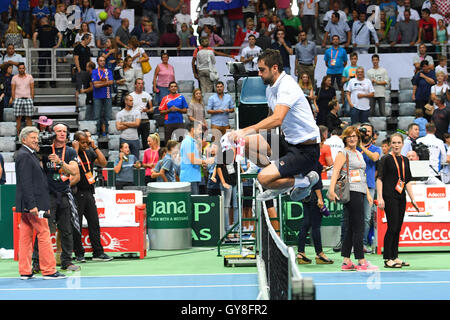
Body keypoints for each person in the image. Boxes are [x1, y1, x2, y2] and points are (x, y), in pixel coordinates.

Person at [228, 49, 321, 203]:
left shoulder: (287, 85)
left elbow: (277, 119)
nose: (259, 73)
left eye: (262, 70)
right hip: (286, 142)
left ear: (275, 68)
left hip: (305, 151)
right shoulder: (270, 88)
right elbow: (270, 118)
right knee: (241, 144)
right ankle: (280, 180)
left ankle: (303, 182)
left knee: (263, 179)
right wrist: (240, 136)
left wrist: (244, 131)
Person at [15, 126, 66, 280]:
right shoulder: (24, 155)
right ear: (24, 139)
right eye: (33, 138)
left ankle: (25, 271)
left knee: (25, 236)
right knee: (44, 233)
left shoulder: (27, 154)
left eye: (37, 138)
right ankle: (49, 270)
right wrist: (32, 205)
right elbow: (26, 182)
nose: (36, 141)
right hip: (33, 205)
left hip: (28, 204)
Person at [327, 126, 377, 271]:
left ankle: (346, 261)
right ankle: (361, 261)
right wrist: (331, 190)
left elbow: (363, 175)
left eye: (355, 136)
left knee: (350, 227)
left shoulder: (359, 154)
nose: (352, 138)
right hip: (351, 192)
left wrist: (367, 193)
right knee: (358, 226)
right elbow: (336, 172)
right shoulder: (343, 153)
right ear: (345, 138)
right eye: (350, 136)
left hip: (360, 191)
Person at [39, 123, 80, 272]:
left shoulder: (69, 151)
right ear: (52, 133)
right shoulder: (44, 150)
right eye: (59, 131)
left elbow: (74, 171)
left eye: (64, 131)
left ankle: (67, 261)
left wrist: (60, 162)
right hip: (47, 195)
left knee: (66, 229)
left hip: (63, 194)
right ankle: (38, 262)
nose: (62, 134)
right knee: (44, 229)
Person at [376, 133, 418, 268]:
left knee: (398, 228)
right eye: (393, 143)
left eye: (398, 143)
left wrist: (413, 199)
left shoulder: (405, 160)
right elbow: (380, 178)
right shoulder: (386, 159)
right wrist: (380, 197)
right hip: (389, 196)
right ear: (390, 145)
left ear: (402, 144)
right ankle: (387, 258)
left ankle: (395, 256)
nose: (396, 145)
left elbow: (408, 181)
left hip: (401, 197)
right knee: (392, 226)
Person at [71, 130, 112, 263]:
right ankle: (79, 253)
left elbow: (103, 163)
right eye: (82, 142)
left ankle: (98, 252)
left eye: (86, 142)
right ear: (76, 142)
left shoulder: (89, 151)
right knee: (76, 225)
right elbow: (70, 166)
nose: (85, 145)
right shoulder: (72, 153)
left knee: (94, 223)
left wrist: (94, 146)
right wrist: (75, 149)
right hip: (76, 193)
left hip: (89, 192)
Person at [296, 161, 333, 265]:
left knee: (306, 223)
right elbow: (316, 183)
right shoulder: (313, 160)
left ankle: (301, 252)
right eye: (321, 144)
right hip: (314, 196)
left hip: (304, 195)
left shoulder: (303, 159)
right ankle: (320, 254)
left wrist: (323, 168)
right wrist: (320, 198)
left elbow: (318, 169)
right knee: (316, 226)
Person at [357, 123, 381, 253]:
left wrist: (361, 147)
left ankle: (363, 244)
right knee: (353, 216)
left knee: (366, 217)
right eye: (363, 130)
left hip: (370, 185)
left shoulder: (376, 149)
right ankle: (349, 243)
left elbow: (374, 158)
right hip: (354, 184)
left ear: (372, 134)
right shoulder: (352, 146)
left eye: (368, 131)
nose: (366, 133)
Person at [179, 122, 214, 195]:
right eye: (199, 129)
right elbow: (193, 160)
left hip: (194, 177)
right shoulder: (188, 142)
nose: (201, 131)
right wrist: (206, 161)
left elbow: (195, 159)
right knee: (192, 203)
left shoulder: (193, 142)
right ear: (192, 129)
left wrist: (203, 163)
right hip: (189, 178)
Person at [92, 55, 122, 136]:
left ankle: (108, 132)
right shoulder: (94, 71)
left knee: (108, 116)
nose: (102, 62)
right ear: (97, 62)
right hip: (97, 96)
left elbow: (111, 82)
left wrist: (100, 82)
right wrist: (105, 82)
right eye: (101, 60)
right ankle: (97, 132)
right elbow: (95, 85)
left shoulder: (108, 71)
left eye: (103, 60)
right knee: (97, 116)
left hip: (107, 95)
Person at [32, 16, 62, 88]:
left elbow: (34, 35)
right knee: (52, 67)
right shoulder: (53, 28)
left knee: (42, 67)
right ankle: (53, 83)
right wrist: (57, 45)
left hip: (42, 50)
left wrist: (35, 46)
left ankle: (41, 83)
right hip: (52, 50)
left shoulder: (39, 29)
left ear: (42, 22)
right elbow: (60, 35)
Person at [217, 146, 239, 235]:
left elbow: (236, 167)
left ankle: (236, 230)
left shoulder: (237, 154)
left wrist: (241, 175)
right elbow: (218, 168)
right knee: (226, 207)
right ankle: (227, 230)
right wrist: (223, 182)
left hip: (235, 183)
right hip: (227, 184)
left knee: (236, 206)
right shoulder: (223, 151)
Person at [11, 63, 34, 137]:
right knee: (18, 118)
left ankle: (29, 135)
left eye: (22, 68)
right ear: (18, 69)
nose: (21, 69)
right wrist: (14, 99)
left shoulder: (29, 77)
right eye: (20, 68)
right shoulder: (14, 77)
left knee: (29, 118)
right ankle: (18, 135)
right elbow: (13, 89)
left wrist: (32, 98)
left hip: (28, 99)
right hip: (18, 99)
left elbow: (32, 88)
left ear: (25, 69)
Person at [116, 94, 141, 160]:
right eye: (130, 100)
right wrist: (132, 124)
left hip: (135, 139)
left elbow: (137, 124)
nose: (132, 102)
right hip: (124, 138)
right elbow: (118, 127)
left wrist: (124, 123)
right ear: (126, 101)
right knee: (123, 159)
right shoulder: (120, 114)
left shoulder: (137, 112)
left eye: (132, 100)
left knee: (136, 160)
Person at [130, 78, 153, 149]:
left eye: (142, 84)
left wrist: (147, 110)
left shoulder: (147, 95)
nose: (140, 85)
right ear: (135, 85)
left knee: (146, 143)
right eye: (139, 83)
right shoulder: (131, 96)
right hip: (135, 121)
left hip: (145, 121)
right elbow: (127, 109)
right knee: (134, 143)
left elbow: (152, 109)